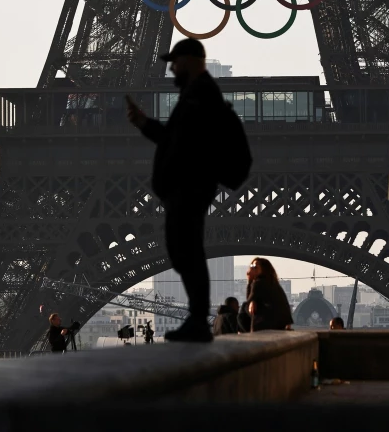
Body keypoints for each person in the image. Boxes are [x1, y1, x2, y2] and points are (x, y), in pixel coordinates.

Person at [126, 38, 225, 343]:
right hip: (188, 185)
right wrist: (144, 123)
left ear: (193, 61)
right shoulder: (194, 94)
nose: (171, 67)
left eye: (175, 62)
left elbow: (183, 141)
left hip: (190, 185)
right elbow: (175, 138)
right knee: (183, 249)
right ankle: (197, 318)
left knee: (187, 249)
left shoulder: (200, 94)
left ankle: (197, 319)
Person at [245, 257, 293, 332]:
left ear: (263, 270)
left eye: (255, 267)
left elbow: (247, 303)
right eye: (251, 266)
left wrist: (249, 280)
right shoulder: (273, 283)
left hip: (265, 325)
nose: (252, 269)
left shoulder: (258, 283)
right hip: (280, 324)